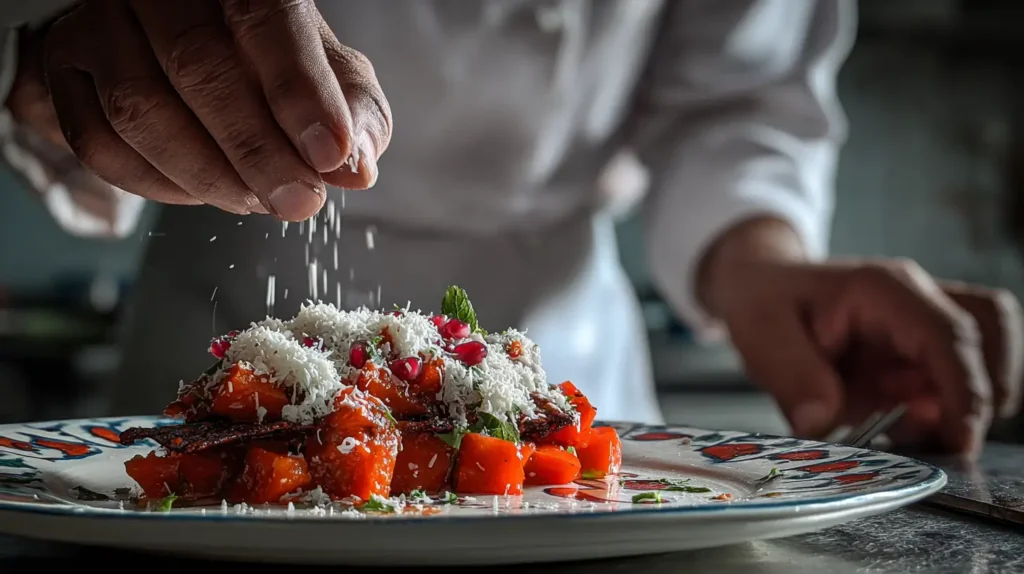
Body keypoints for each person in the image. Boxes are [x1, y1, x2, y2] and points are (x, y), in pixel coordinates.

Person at [0, 0, 1019, 457]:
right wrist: (57, 44)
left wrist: (762, 263)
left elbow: (737, 94)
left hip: (561, 344)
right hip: (230, 295)